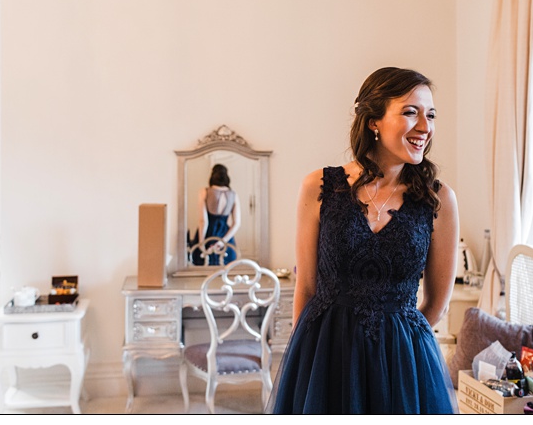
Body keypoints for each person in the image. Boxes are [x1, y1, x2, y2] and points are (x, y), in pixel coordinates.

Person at [272, 67, 458, 413]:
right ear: (374, 121)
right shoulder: (319, 187)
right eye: (409, 112)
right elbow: (307, 287)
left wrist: (394, 342)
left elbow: (437, 303)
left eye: (430, 115)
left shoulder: (438, 200)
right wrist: (303, 358)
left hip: (402, 363)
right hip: (327, 353)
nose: (425, 127)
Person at [196, 163, 241, 266]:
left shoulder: (205, 191)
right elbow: (237, 223)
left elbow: (203, 221)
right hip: (225, 233)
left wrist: (201, 243)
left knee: (204, 267)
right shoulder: (233, 194)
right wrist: (223, 241)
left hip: (208, 233)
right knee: (226, 268)